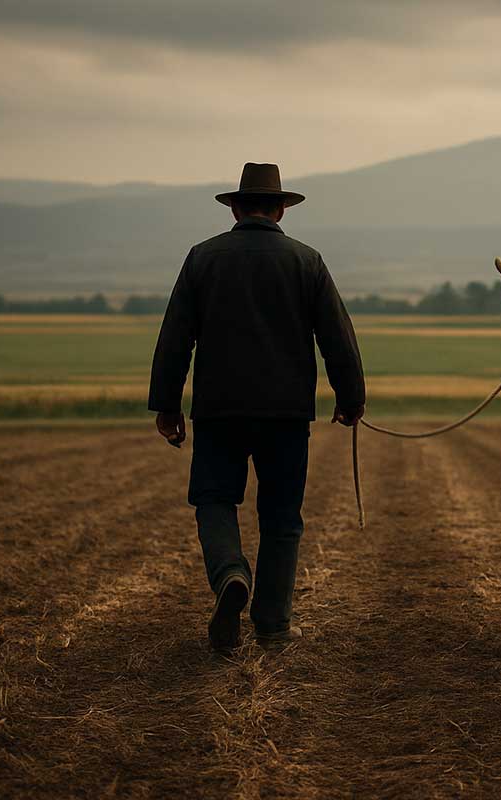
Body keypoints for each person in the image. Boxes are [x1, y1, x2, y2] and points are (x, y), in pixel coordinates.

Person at [148, 162, 365, 651]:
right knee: (282, 517)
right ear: (281, 210)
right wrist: (351, 398)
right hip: (286, 414)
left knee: (214, 500)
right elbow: (337, 337)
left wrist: (167, 404)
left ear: (236, 209)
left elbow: (175, 338)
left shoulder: (202, 258)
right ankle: (272, 624)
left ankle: (230, 573)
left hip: (218, 410)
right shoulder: (307, 261)